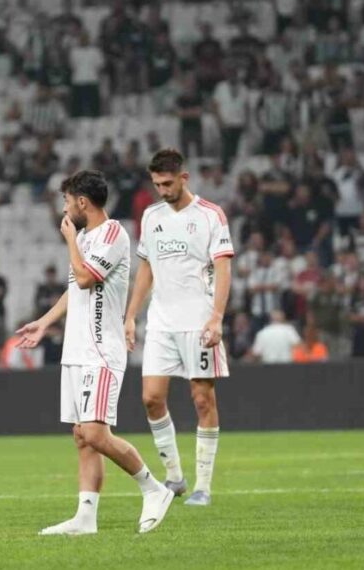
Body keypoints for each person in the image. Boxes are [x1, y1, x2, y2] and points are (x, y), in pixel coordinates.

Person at [16, 170, 174, 535]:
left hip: (101, 352)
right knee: (81, 435)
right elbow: (76, 289)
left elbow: (87, 277)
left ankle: (154, 488)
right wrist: (44, 322)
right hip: (76, 350)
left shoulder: (113, 233)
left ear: (82, 202)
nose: (65, 208)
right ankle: (85, 517)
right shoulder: (86, 237)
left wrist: (71, 241)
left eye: (68, 201)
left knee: (97, 433)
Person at [124, 148, 234, 506]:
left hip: (198, 321)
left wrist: (217, 316)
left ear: (184, 178)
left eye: (168, 183)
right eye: (157, 184)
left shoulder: (210, 215)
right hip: (160, 322)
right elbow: (146, 268)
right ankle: (174, 478)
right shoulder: (151, 216)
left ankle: (203, 485)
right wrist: (130, 315)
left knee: (203, 399)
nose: (162, 190)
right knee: (151, 398)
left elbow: (223, 267)